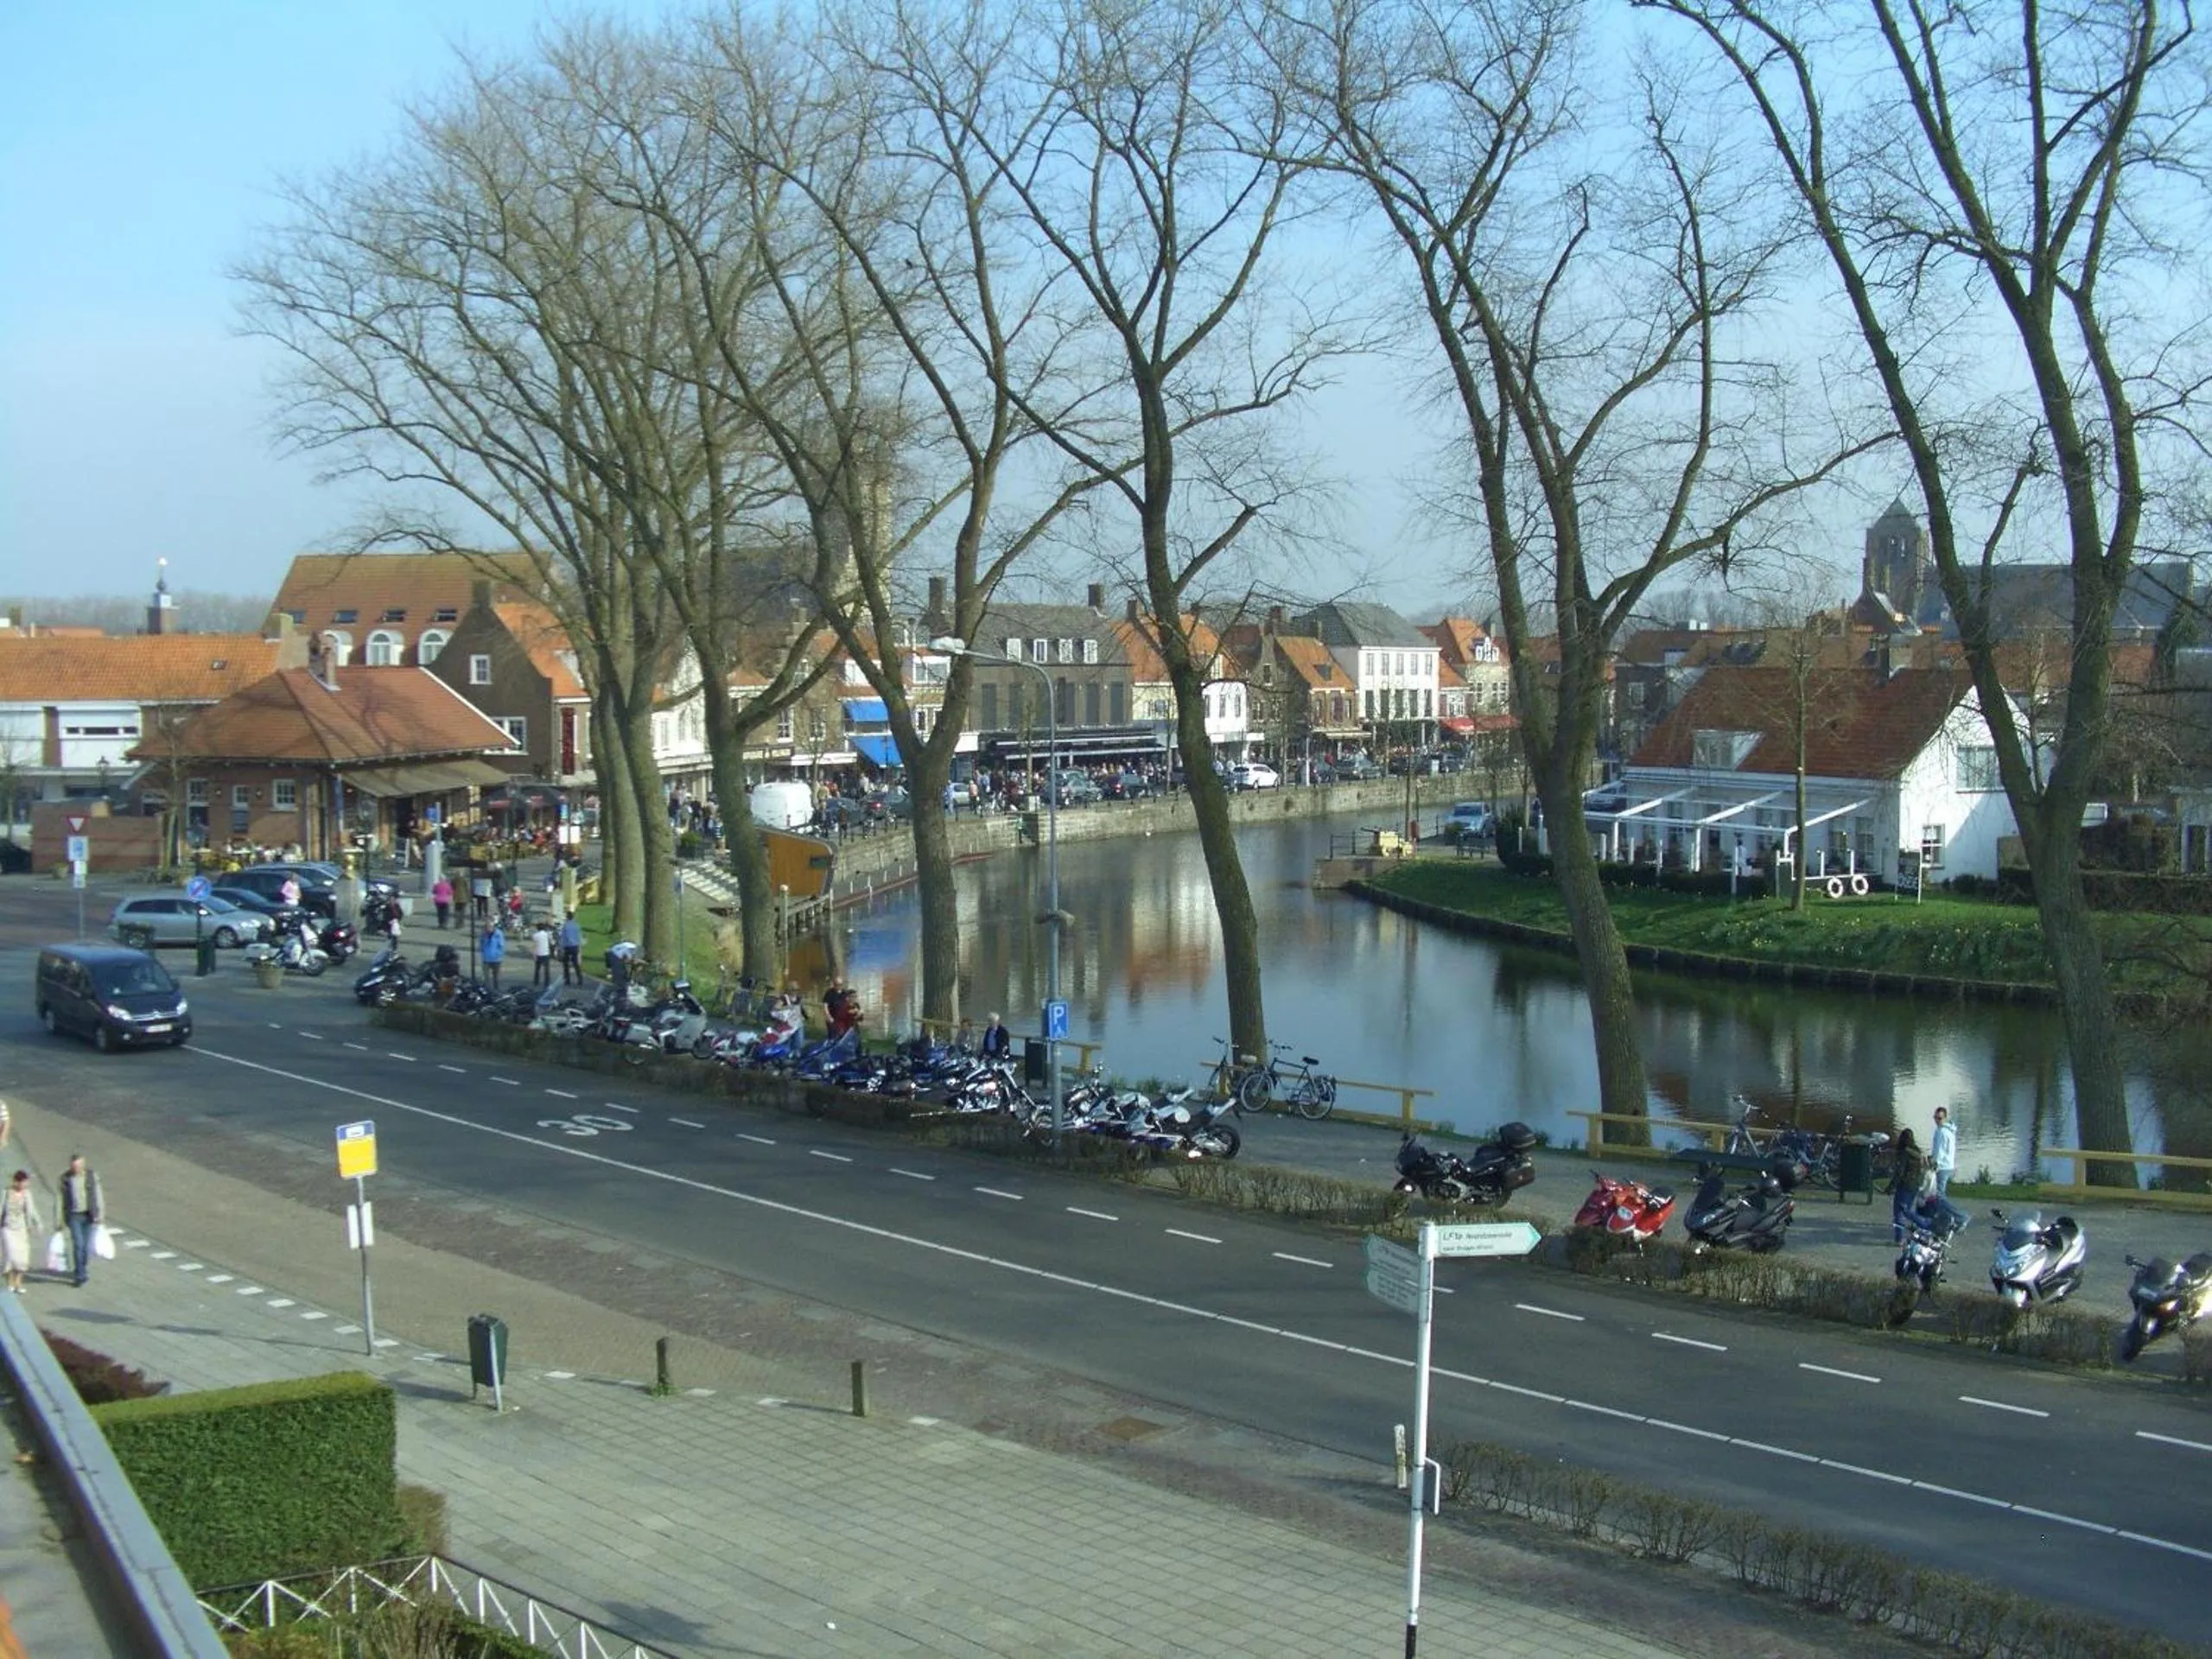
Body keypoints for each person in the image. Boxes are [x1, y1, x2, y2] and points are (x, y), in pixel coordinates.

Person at [59, 1155, 102, 1289]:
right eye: (73, 1166)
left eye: (77, 1166)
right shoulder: (65, 1178)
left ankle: (82, 1267)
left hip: (88, 1215)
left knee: (85, 1247)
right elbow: (59, 1199)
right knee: (78, 1244)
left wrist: (100, 1213)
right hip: (73, 1216)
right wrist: (58, 1219)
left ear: (83, 1165)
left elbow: (98, 1194)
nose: (75, 1169)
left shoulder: (91, 1176)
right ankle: (79, 1275)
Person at [1888, 1128, 1927, 1246]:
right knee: (1908, 1212)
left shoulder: (1904, 1153)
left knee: (1899, 1213)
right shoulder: (1917, 1151)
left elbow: (1900, 1172)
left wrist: (1891, 1186)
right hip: (1914, 1185)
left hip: (1904, 1185)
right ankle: (1923, 1229)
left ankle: (1899, 1239)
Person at [0, 1172, 37, 1295]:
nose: (26, 1184)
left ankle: (18, 1282)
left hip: (21, 1228)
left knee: (22, 1257)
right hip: (8, 1228)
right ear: (17, 1181)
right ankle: (10, 1281)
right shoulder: (6, 1192)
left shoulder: (27, 1194)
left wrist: (37, 1223)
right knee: (11, 1255)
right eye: (24, 1181)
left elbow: (32, 1210)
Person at [1930, 1106, 1958, 1196]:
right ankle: (1940, 1209)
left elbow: (1939, 1151)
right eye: (1935, 1118)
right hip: (1949, 1165)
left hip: (1941, 1166)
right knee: (1940, 1192)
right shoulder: (1950, 1130)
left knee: (1939, 1194)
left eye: (1940, 1118)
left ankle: (1950, 1210)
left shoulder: (1941, 1132)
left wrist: (1934, 1165)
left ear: (1945, 1118)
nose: (1937, 1120)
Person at [559, 914, 583, 985]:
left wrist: (561, 948)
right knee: (576, 964)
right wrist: (580, 947)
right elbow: (579, 937)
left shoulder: (565, 926)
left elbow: (563, 938)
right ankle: (580, 979)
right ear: (573, 918)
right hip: (575, 946)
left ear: (567, 918)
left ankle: (567, 980)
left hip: (567, 947)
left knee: (566, 964)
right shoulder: (577, 925)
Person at [480, 922, 505, 989]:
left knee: (496, 977)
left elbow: (501, 946)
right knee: (486, 977)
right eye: (487, 927)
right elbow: (481, 945)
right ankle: (487, 989)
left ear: (493, 927)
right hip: (486, 959)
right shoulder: (484, 934)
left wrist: (498, 954)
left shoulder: (499, 934)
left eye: (490, 927)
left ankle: (496, 990)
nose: (488, 928)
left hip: (496, 959)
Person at [531, 921, 554, 987]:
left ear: (537, 928)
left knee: (537, 969)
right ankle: (547, 983)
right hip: (545, 953)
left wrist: (534, 955)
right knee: (546, 970)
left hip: (538, 954)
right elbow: (552, 942)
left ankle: (536, 981)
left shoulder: (535, 935)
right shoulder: (547, 934)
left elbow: (534, 946)